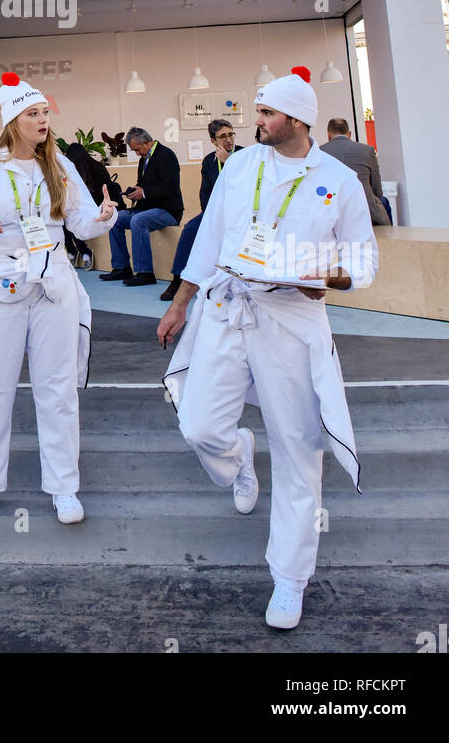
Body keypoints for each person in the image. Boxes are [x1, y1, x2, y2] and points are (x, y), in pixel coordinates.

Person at [158, 68, 377, 631]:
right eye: (257, 112)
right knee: (200, 425)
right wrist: (181, 301)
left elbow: (363, 259)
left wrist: (328, 277)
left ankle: (289, 579)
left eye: (267, 114)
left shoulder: (339, 179)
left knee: (300, 451)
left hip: (293, 319)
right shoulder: (240, 166)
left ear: (298, 119)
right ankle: (237, 454)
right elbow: (210, 239)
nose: (256, 122)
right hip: (228, 308)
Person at [0, 72, 118, 525]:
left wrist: (103, 218)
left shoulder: (58, 164)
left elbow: (80, 223)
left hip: (53, 282)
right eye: (33, 113)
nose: (43, 120)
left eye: (44, 113)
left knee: (57, 389)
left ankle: (64, 487)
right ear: (13, 120)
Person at [160, 120, 243, 301]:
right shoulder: (208, 161)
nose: (228, 140)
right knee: (190, 229)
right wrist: (210, 214)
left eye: (231, 134)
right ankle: (177, 279)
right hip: (214, 212)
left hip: (239, 212)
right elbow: (204, 192)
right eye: (223, 136)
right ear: (213, 141)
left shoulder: (243, 155)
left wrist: (228, 162)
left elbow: (245, 185)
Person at [101, 127, 183, 286]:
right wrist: (135, 191)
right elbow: (143, 185)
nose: (137, 153)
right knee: (115, 217)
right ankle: (121, 267)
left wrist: (144, 193)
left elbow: (170, 187)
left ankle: (145, 273)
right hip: (147, 208)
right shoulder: (144, 159)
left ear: (146, 142)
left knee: (138, 221)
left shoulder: (166, 156)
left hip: (168, 210)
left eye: (137, 150)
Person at [320, 119, 391, 226]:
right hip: (367, 208)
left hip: (333, 208)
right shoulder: (367, 150)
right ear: (349, 134)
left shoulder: (320, 152)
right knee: (383, 201)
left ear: (329, 135)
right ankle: (391, 237)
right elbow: (377, 189)